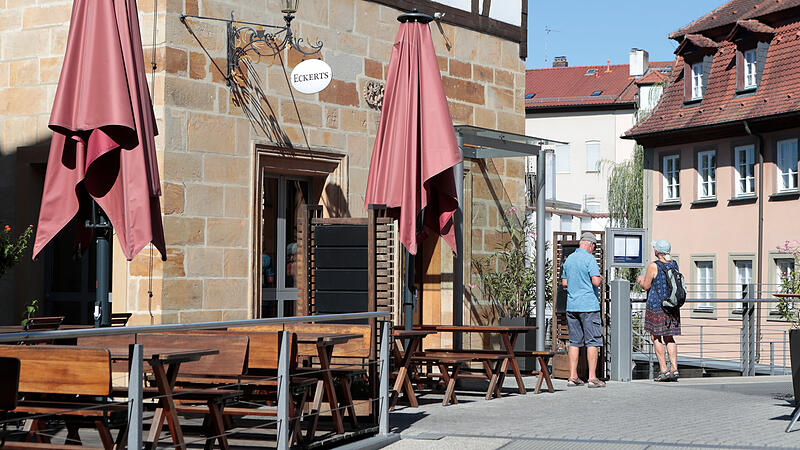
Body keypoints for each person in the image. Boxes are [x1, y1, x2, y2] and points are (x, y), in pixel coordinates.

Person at [561, 232, 605, 388]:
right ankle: (592, 378)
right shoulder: (590, 259)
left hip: (572, 306)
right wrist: (599, 277)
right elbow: (596, 281)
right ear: (591, 245)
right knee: (592, 341)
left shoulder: (569, 260)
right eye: (594, 247)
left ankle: (573, 376)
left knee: (574, 342)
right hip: (588, 306)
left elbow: (564, 283)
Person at [637, 239, 681, 382]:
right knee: (669, 337)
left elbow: (646, 286)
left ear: (658, 252)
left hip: (656, 306)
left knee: (656, 337)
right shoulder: (674, 264)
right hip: (672, 306)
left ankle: (664, 370)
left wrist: (640, 280)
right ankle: (674, 368)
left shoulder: (653, 266)